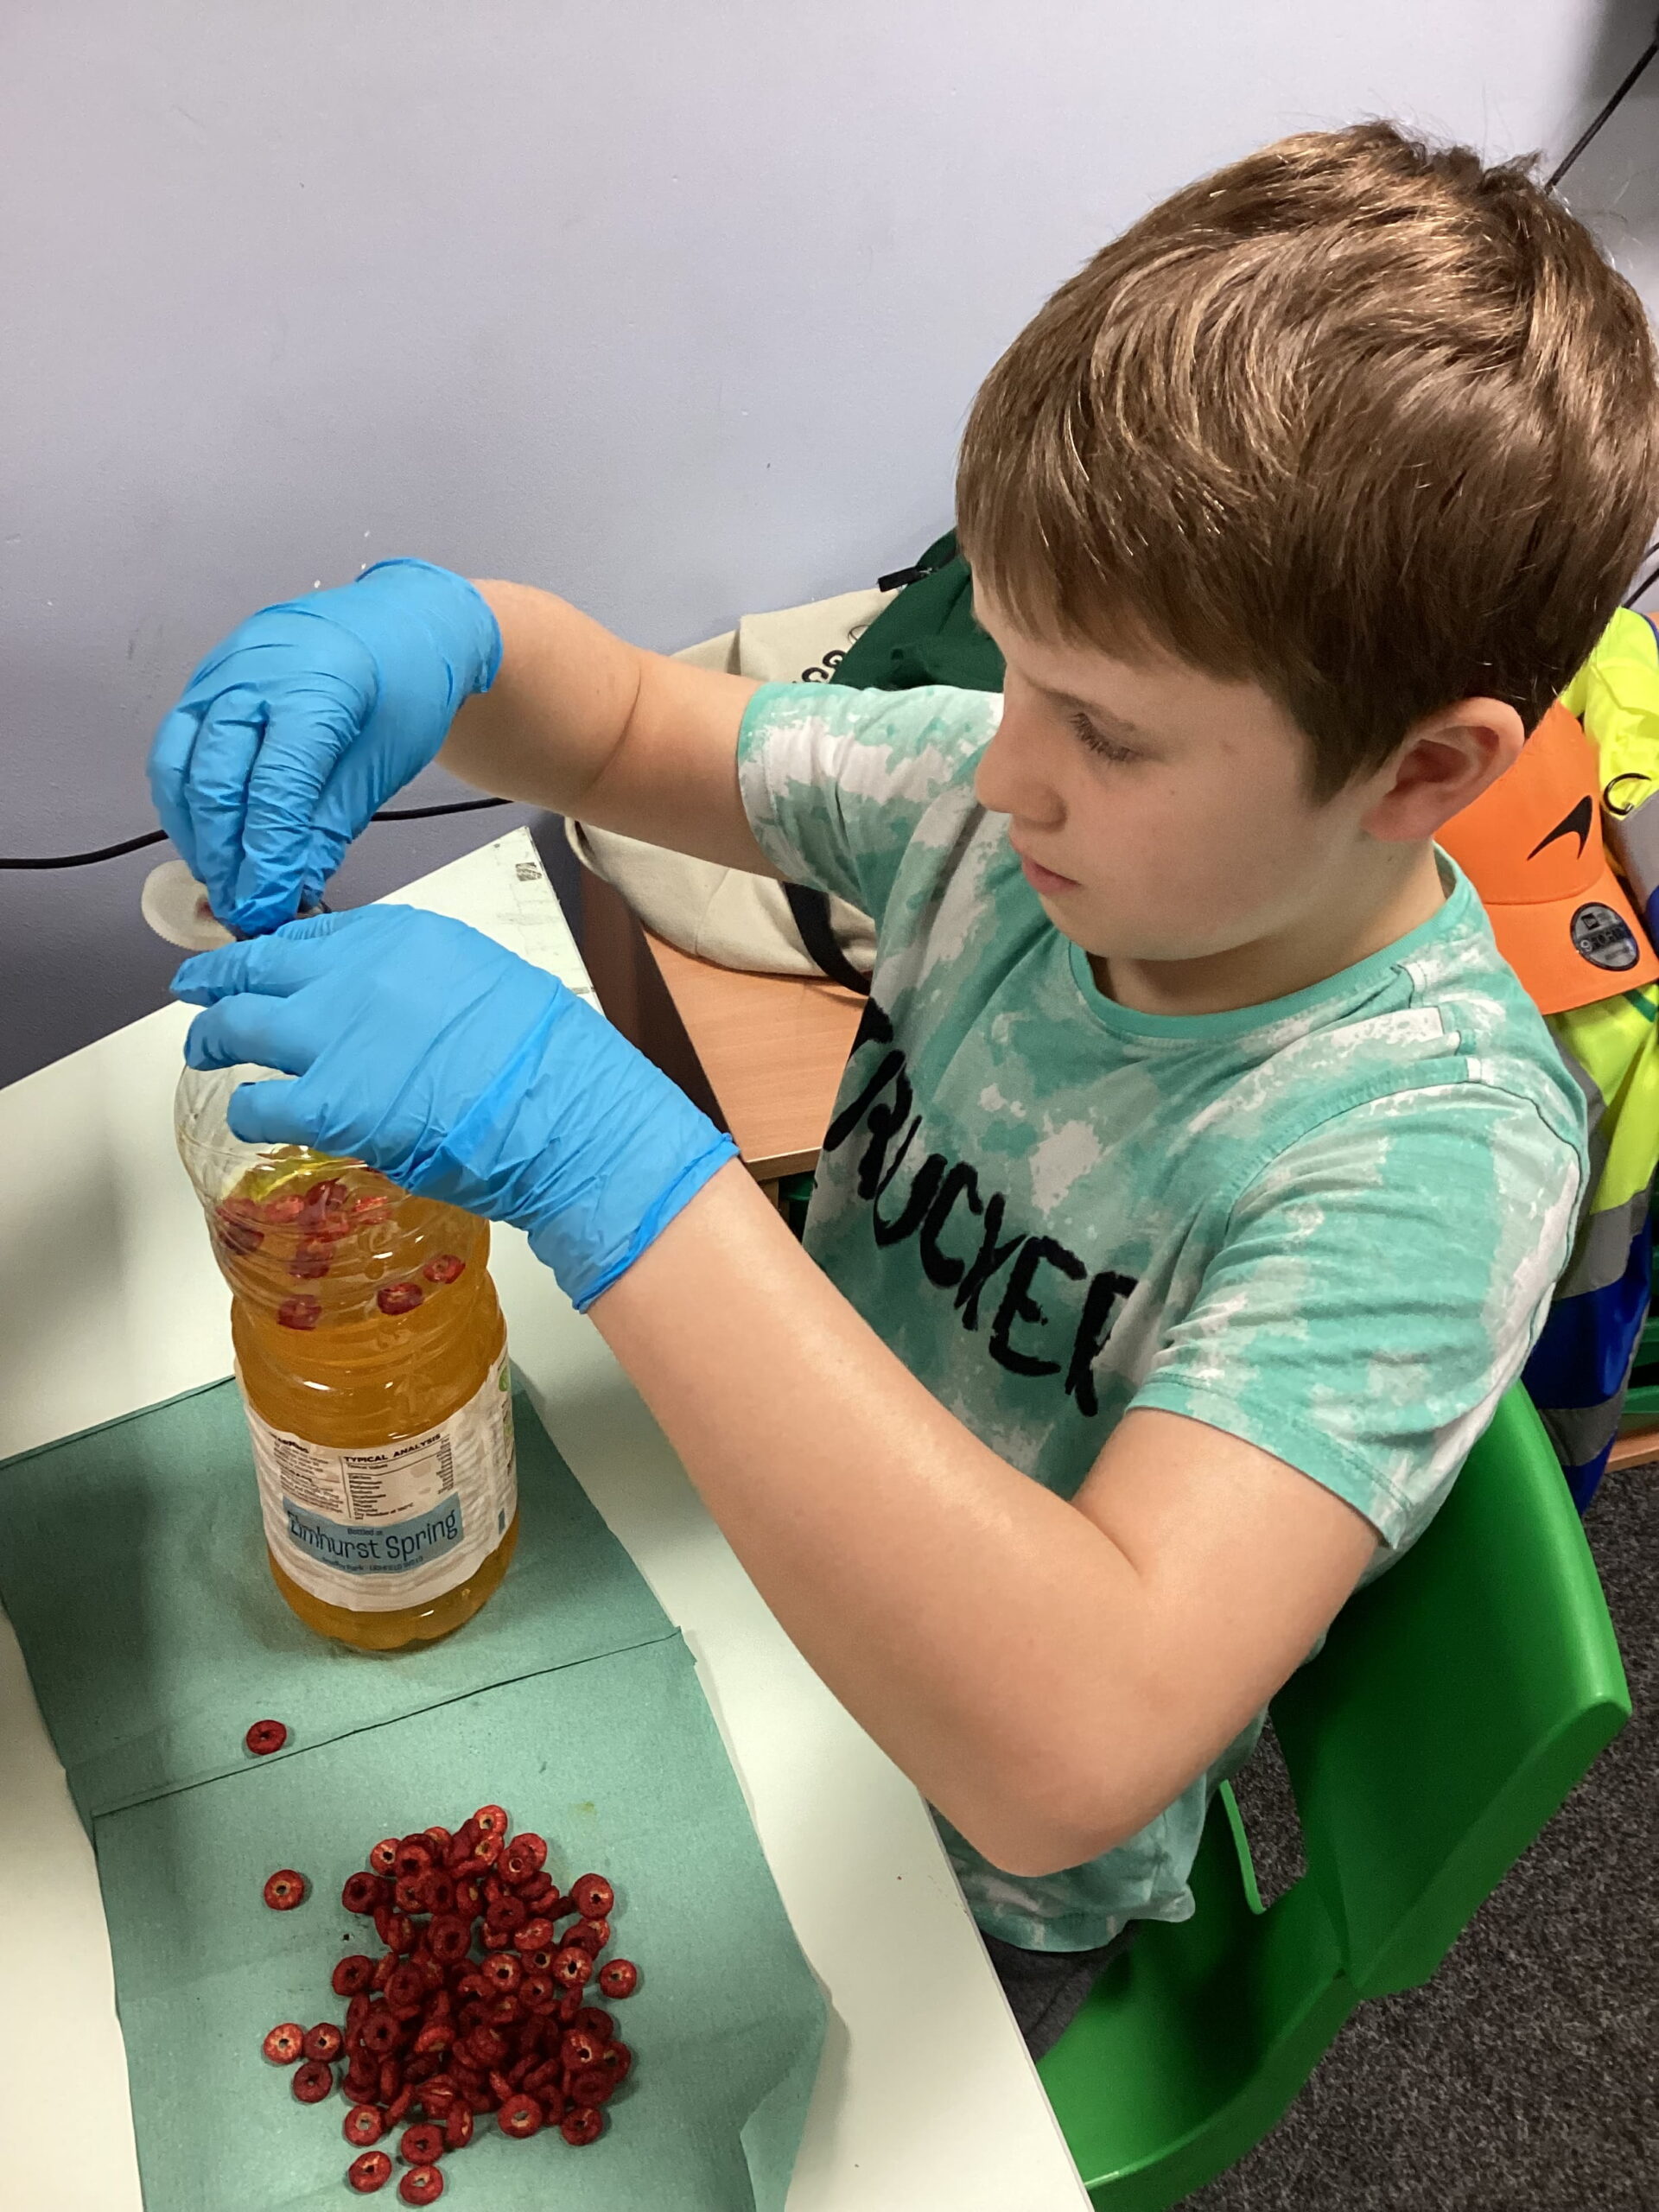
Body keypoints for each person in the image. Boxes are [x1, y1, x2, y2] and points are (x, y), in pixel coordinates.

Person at [149, 120, 1659, 2061]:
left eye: (1105, 728)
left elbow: (1074, 1742)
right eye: (1020, 667)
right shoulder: (1009, 809)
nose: (1007, 764)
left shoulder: (1424, 1152)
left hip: (961, 1854)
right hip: (748, 1572)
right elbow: (618, 723)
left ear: (1425, 774)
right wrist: (441, 640)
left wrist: (611, 1150)